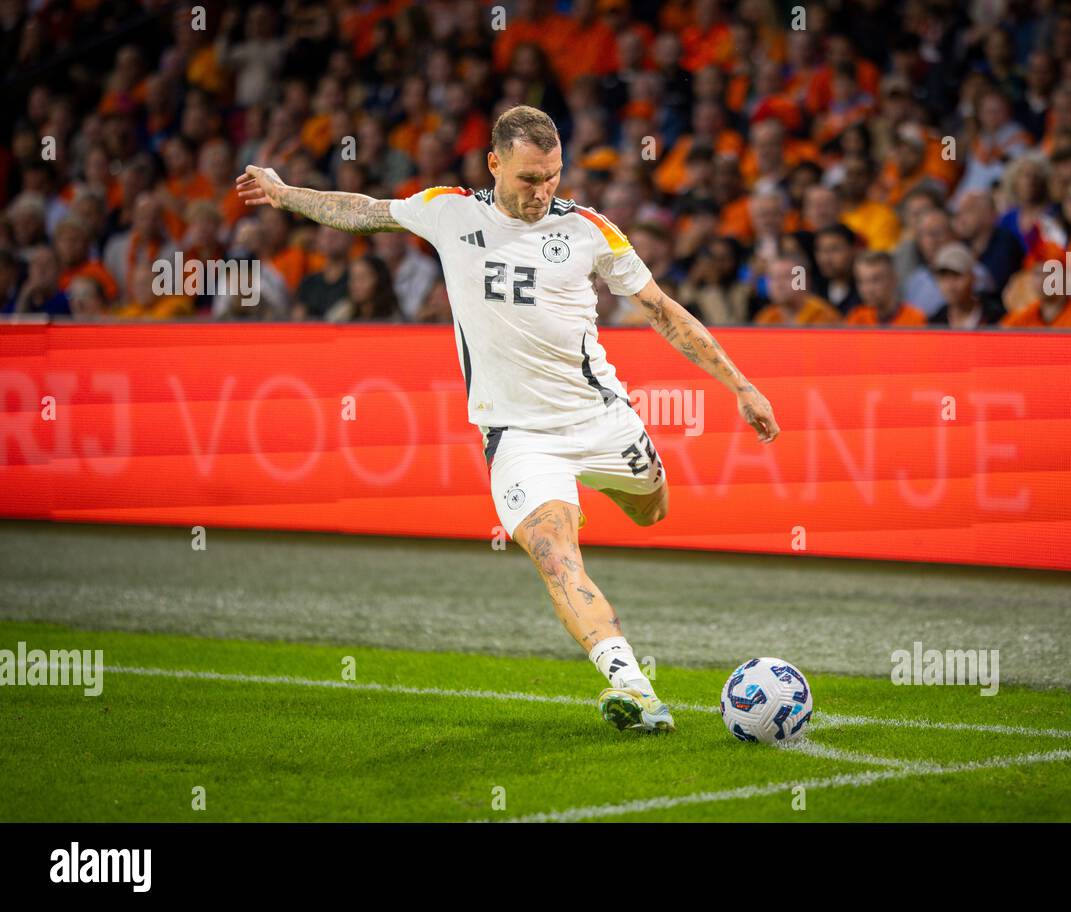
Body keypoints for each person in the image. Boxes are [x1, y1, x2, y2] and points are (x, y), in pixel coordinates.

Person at [236, 105, 780, 732]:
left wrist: (739, 384)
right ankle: (636, 690)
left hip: (601, 418)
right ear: (494, 164)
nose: (542, 192)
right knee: (554, 552)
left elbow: (662, 310)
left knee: (652, 509)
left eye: (552, 176)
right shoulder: (449, 210)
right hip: (518, 436)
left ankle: (599, 497)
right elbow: (365, 211)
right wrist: (284, 194)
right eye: (528, 179)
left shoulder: (589, 231)